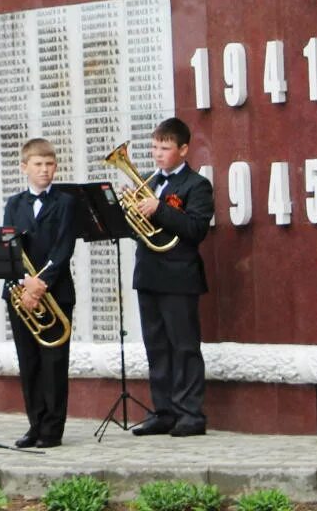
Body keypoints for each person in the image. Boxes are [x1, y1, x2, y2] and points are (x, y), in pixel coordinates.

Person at [130, 117, 214, 438]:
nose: (157, 154)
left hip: (179, 278)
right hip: (149, 275)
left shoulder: (196, 185)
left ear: (183, 149)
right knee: (157, 348)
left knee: (184, 347)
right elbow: (137, 230)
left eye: (164, 148)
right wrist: (128, 212)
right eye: (154, 147)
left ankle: (191, 414)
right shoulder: (149, 183)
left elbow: (195, 229)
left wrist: (159, 209)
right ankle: (163, 411)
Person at [2, 137, 77, 448]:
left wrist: (39, 282)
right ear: (24, 167)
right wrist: (24, 283)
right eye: (38, 164)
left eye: (50, 164)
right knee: (29, 361)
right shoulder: (13, 204)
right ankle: (35, 423)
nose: (45, 170)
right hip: (21, 295)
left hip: (54, 292)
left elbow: (63, 249)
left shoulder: (66, 203)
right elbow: (9, 247)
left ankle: (52, 429)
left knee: (54, 362)